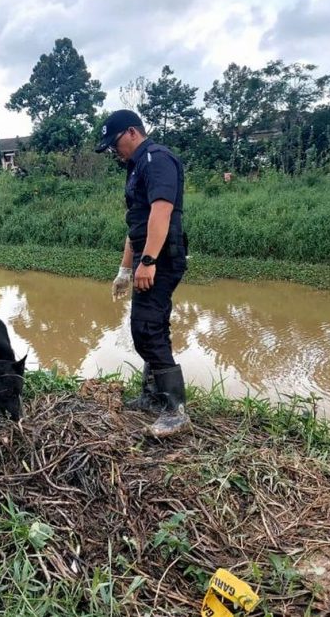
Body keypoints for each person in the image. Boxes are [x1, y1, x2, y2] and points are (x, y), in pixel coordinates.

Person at [95, 110, 191, 438]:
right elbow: (137, 223)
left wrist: (148, 260)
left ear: (133, 132)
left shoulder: (156, 159)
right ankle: (153, 396)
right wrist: (126, 269)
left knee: (147, 328)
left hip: (161, 258)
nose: (113, 151)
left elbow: (161, 212)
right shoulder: (138, 166)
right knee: (152, 325)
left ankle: (175, 410)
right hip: (147, 256)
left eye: (115, 142)